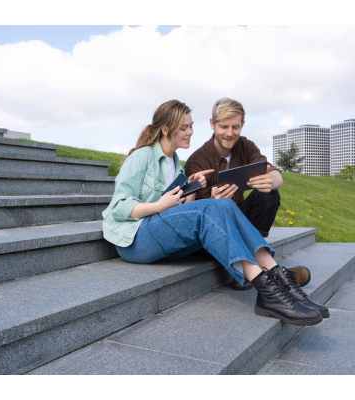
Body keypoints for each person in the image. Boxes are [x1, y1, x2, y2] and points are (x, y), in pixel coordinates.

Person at [102, 100, 329, 326]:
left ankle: (279, 278)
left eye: (191, 126)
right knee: (214, 206)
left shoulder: (177, 165)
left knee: (225, 205)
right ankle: (268, 289)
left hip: (161, 237)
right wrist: (160, 205)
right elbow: (118, 207)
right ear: (165, 130)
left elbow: (178, 216)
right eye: (184, 128)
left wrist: (190, 190)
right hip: (134, 241)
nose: (191, 132)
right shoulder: (142, 156)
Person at [185, 97, 307, 290]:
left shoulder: (245, 146)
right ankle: (262, 272)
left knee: (268, 194)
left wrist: (272, 180)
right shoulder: (197, 161)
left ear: (242, 124)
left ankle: (256, 267)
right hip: (211, 235)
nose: (230, 133)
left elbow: (274, 172)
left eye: (235, 127)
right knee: (218, 209)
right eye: (224, 127)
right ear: (212, 124)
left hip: (239, 220)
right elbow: (191, 214)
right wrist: (212, 202)